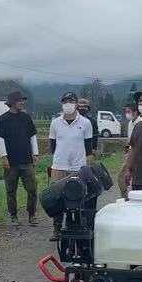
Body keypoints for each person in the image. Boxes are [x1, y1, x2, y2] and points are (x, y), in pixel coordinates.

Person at [48, 92, 95, 240]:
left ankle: (74, 226)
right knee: (56, 198)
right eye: (65, 101)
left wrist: (88, 167)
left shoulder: (85, 123)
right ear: (62, 104)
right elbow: (52, 145)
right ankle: (56, 228)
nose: (68, 104)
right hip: (59, 165)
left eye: (71, 101)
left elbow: (89, 148)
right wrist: (57, 161)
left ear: (76, 104)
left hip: (78, 166)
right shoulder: (55, 123)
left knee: (76, 198)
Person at [0, 89, 39, 226]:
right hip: (11, 161)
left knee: (32, 189)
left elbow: (32, 136)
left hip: (26, 160)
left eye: (22, 100)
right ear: (12, 103)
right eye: (19, 100)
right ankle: (13, 215)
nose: (22, 102)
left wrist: (35, 153)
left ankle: (32, 215)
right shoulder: (2, 119)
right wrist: (4, 157)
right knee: (11, 190)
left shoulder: (26, 118)